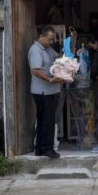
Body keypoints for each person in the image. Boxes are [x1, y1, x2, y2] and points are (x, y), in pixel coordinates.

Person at [28, 26, 65, 158]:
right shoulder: (36, 50)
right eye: (49, 39)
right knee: (47, 121)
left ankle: (39, 149)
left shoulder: (48, 49)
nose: (51, 42)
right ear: (42, 37)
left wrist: (68, 48)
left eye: (52, 39)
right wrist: (50, 80)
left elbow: (59, 58)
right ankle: (48, 149)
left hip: (50, 91)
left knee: (44, 120)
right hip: (43, 92)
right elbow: (35, 71)